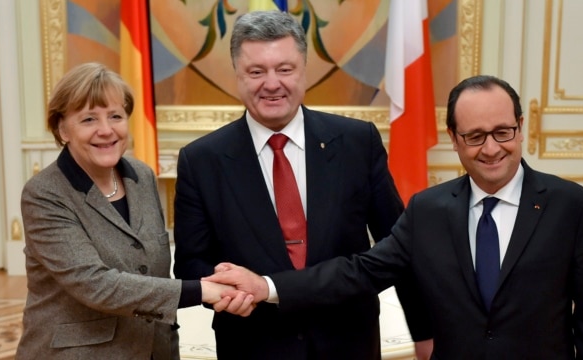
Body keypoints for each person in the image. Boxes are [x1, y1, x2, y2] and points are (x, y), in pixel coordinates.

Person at [207, 75, 583, 359]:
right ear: (454, 139)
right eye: (475, 136)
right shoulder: (428, 210)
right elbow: (359, 272)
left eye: (502, 132)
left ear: (520, 128)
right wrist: (267, 286)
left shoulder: (570, 205)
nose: (491, 149)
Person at [173, 10, 431, 360]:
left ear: (303, 70)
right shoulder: (201, 160)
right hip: (253, 345)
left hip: (348, 344)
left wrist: (425, 332)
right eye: (256, 71)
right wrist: (232, 291)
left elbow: (398, 248)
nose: (272, 83)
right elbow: (191, 266)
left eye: (284, 69)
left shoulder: (358, 143)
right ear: (237, 75)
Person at [16, 62, 247, 360]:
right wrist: (202, 291)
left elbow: (151, 267)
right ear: (62, 128)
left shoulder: (141, 176)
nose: (106, 130)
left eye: (115, 116)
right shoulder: (44, 194)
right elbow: (95, 285)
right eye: (88, 119)